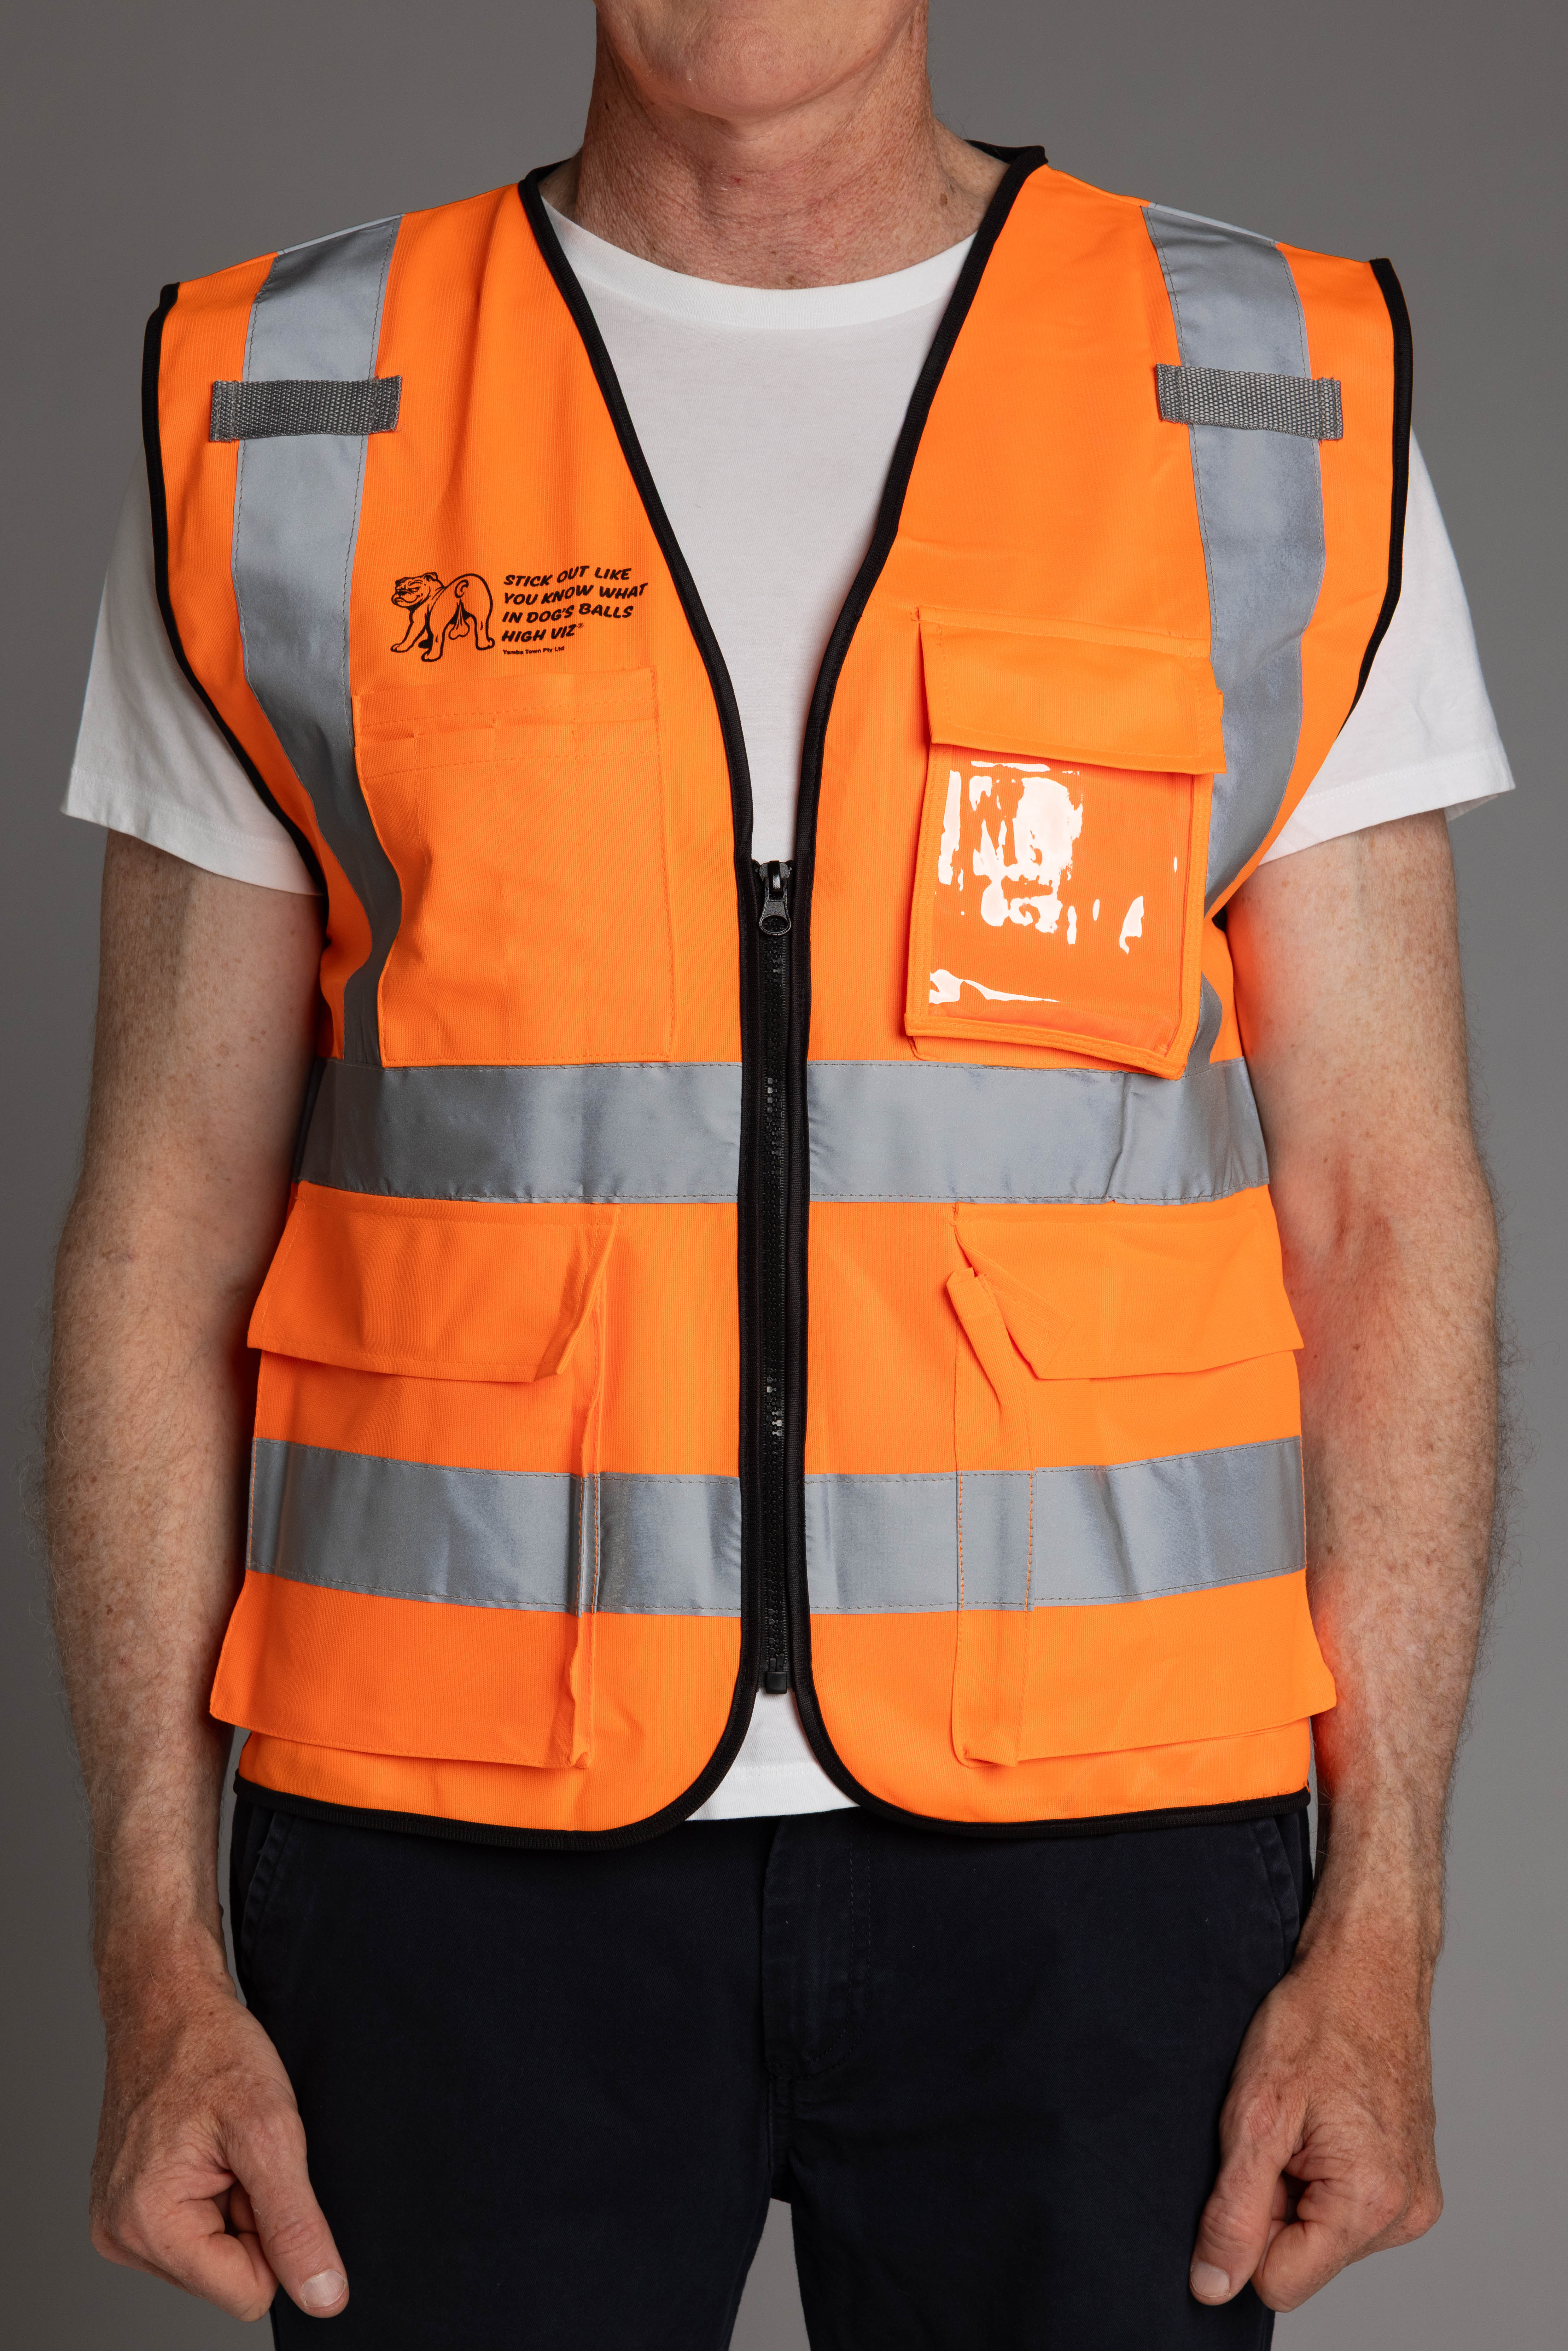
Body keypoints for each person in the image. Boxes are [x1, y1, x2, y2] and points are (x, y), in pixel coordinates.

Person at [47, 4, 1508, 2344]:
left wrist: (1387, 1915)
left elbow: (1381, 1214)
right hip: (445, 1868)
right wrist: (149, 1939)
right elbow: (157, 1234)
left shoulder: (1265, 396)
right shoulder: (291, 403)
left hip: (1108, 1874)